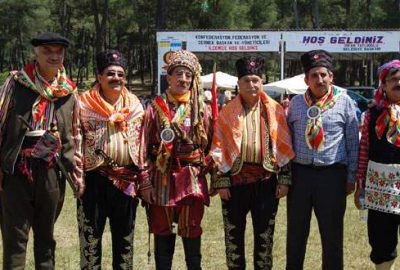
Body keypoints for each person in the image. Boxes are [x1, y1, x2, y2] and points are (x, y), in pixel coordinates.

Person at [0, 32, 84, 269]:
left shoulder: (69, 91)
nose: (54, 56)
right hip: (16, 167)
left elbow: (74, 135)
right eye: (48, 50)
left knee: (46, 237)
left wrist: (77, 172)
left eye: (59, 51)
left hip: (51, 170)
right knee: (15, 237)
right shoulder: (16, 82)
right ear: (36, 52)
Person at [210, 56, 295, 270]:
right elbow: (218, 147)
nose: (251, 85)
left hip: (266, 182)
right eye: (246, 80)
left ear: (262, 83)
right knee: (233, 236)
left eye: (255, 80)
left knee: (265, 236)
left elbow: (283, 145)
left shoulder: (275, 110)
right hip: (234, 183)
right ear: (238, 84)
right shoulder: (227, 111)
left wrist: (284, 179)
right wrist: (221, 182)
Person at [286, 50, 359, 270]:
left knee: (332, 234)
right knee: (296, 233)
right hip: (300, 176)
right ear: (306, 79)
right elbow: (287, 140)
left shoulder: (345, 102)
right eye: (314, 75)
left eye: (324, 75)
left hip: (332, 176)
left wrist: (351, 177)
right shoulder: (296, 104)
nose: (320, 80)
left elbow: (352, 143)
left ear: (331, 77)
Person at [141, 50, 213, 269]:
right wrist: (144, 180)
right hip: (161, 177)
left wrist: (208, 170)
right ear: (169, 78)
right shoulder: (154, 109)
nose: (183, 79)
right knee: (162, 228)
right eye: (179, 74)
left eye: (188, 75)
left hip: (191, 178)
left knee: (191, 227)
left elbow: (211, 145)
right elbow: (142, 147)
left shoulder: (202, 110)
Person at [78, 49, 148, 269]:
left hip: (126, 181)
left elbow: (143, 143)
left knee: (124, 242)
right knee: (90, 241)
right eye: (110, 73)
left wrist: (143, 178)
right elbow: (75, 140)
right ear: (99, 77)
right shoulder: (83, 105)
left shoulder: (136, 105)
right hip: (93, 180)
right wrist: (77, 176)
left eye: (120, 74)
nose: (116, 78)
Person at [354, 60, 400, 270]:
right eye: (394, 79)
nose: (398, 83)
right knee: (382, 241)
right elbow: (363, 152)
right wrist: (360, 186)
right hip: (380, 186)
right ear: (383, 84)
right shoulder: (371, 115)